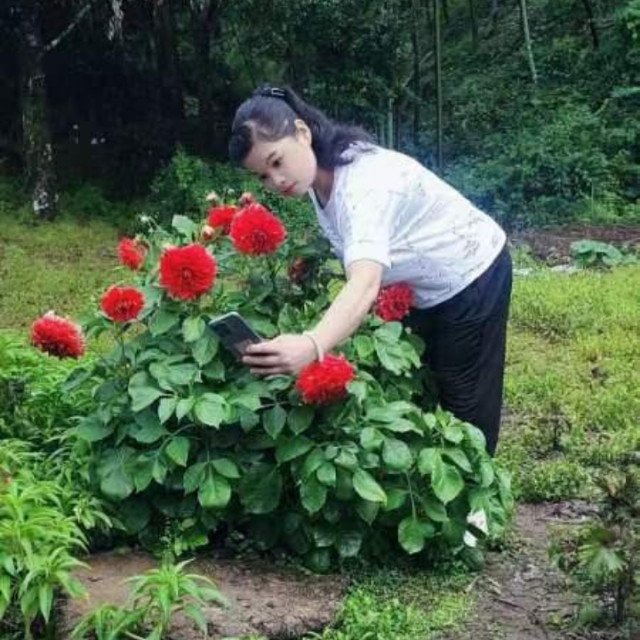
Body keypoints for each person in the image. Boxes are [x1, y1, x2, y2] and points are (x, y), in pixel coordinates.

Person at [228, 85, 512, 456]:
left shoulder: (363, 184)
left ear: (302, 132)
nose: (276, 180)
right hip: (423, 286)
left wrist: (312, 344)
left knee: (465, 405)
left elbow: (365, 281)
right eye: (263, 176)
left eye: (277, 161)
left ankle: (478, 489)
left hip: (472, 275)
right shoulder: (321, 178)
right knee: (422, 387)